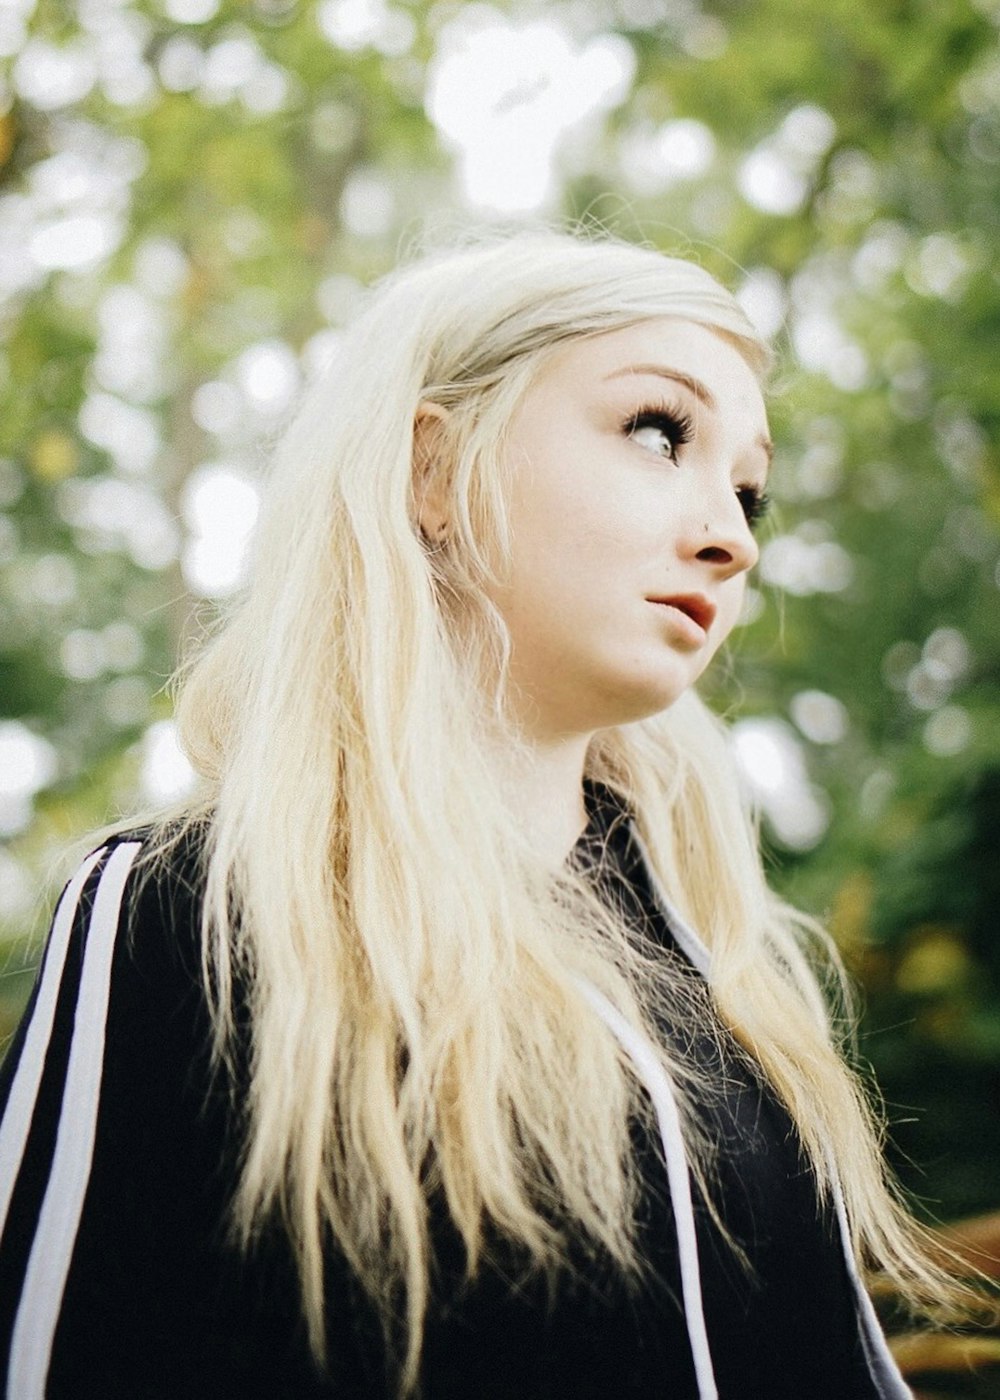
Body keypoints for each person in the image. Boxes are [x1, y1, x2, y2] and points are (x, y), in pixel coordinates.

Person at [0, 230, 959, 1399]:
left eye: (748, 485)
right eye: (660, 432)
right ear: (435, 470)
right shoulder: (182, 912)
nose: (733, 531)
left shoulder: (734, 985)